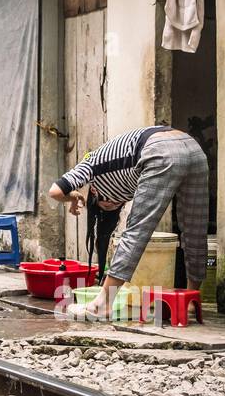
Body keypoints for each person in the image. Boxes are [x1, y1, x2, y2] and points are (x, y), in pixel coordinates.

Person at [47, 126, 208, 318]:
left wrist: (73, 196)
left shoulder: (90, 164)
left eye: (105, 206)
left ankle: (102, 304)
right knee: (195, 228)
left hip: (161, 150)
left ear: (94, 192)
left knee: (136, 231)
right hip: (193, 148)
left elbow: (55, 191)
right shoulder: (123, 181)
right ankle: (191, 298)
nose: (113, 205)